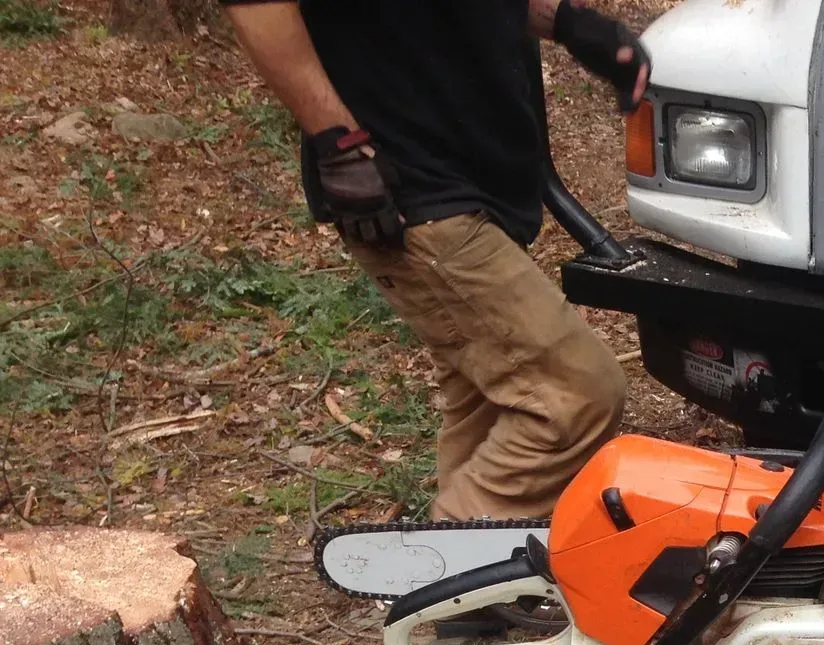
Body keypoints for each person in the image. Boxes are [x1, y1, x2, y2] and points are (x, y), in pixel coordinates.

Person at [220, 0, 649, 522]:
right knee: (575, 395)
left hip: (477, 175)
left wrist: (571, 24)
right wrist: (338, 140)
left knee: (490, 400)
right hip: (409, 185)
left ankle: (484, 590)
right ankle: (451, 578)